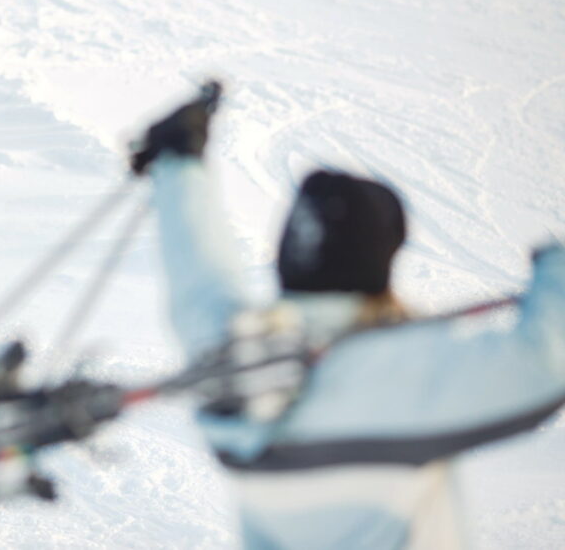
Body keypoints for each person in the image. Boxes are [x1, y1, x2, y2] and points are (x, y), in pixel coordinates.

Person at [132, 87, 565, 549]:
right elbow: (545, 362)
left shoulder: (230, 357)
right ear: (379, 271)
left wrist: (180, 165)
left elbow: (199, 273)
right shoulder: (400, 383)